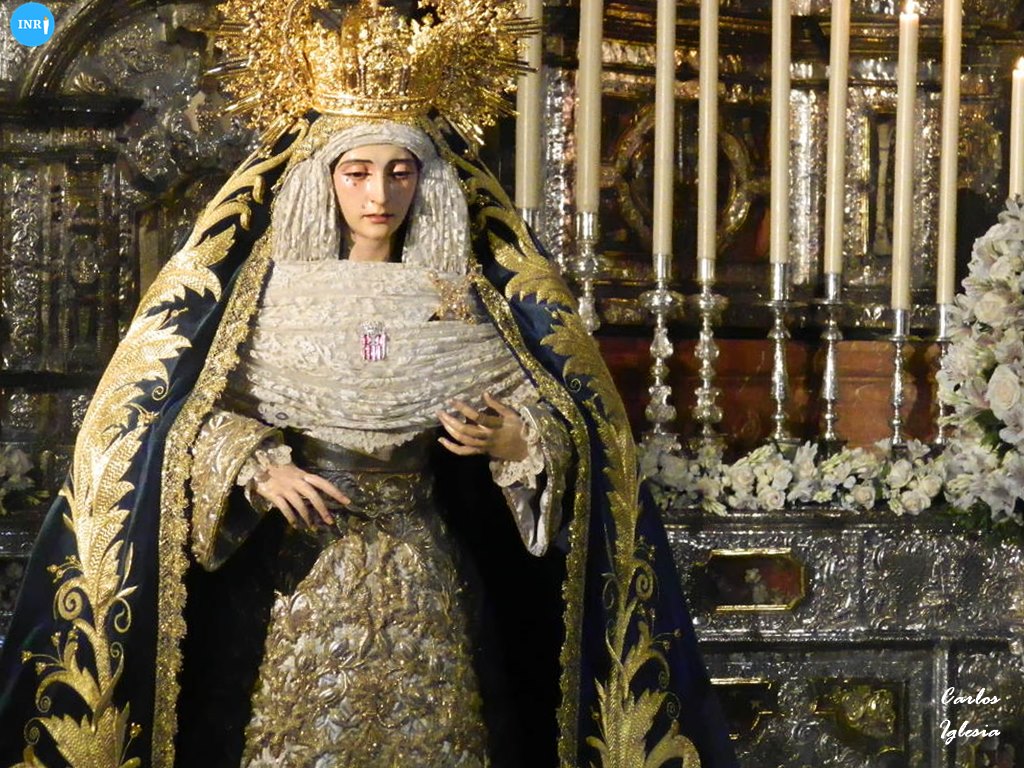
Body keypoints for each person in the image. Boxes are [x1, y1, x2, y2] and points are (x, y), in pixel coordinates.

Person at [0, 2, 739, 767]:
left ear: (426, 180)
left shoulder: (458, 302)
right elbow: (182, 417)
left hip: (421, 565)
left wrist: (518, 438)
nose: (378, 194)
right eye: (356, 173)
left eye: (399, 172)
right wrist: (256, 463)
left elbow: (554, 412)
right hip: (300, 570)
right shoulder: (274, 297)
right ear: (324, 179)